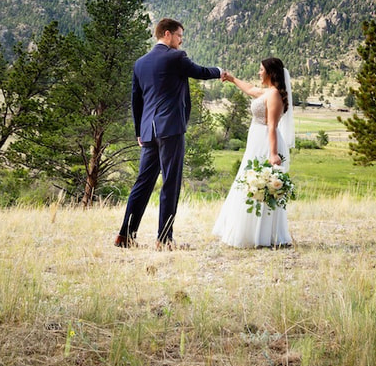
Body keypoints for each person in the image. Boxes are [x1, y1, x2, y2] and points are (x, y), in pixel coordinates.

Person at [115, 18, 224, 250]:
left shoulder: (140, 63)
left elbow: (136, 101)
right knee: (170, 183)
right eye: (179, 35)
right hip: (171, 129)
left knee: (142, 183)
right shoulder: (176, 57)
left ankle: (125, 235)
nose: (181, 40)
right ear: (167, 34)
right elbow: (200, 72)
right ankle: (164, 239)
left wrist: (139, 132)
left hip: (148, 132)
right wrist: (220, 72)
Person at [212, 56, 295, 248]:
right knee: (250, 184)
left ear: (270, 72)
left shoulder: (274, 95)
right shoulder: (268, 92)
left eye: (261, 69)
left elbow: (272, 127)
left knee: (260, 186)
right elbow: (250, 89)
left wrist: (273, 154)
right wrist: (232, 79)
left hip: (267, 143)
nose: (259, 72)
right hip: (257, 142)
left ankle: (262, 235)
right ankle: (249, 231)